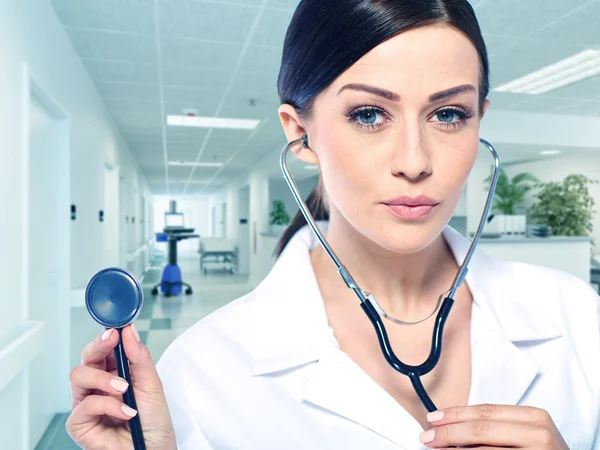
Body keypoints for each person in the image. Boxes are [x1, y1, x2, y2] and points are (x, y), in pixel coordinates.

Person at [66, 0, 600, 448]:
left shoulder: (578, 318)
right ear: (300, 133)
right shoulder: (203, 369)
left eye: (448, 115)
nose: (415, 161)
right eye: (368, 114)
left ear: (479, 117)